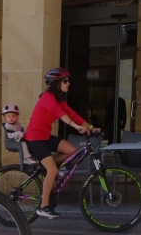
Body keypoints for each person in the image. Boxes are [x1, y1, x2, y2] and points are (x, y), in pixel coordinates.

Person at [23, 67, 100, 219]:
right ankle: (43, 207)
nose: (68, 83)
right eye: (65, 81)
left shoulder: (59, 99)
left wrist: (89, 126)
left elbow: (71, 113)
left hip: (45, 136)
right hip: (34, 138)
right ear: (56, 83)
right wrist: (77, 127)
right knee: (52, 170)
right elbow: (62, 115)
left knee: (72, 150)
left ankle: (48, 168)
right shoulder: (47, 97)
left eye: (68, 80)